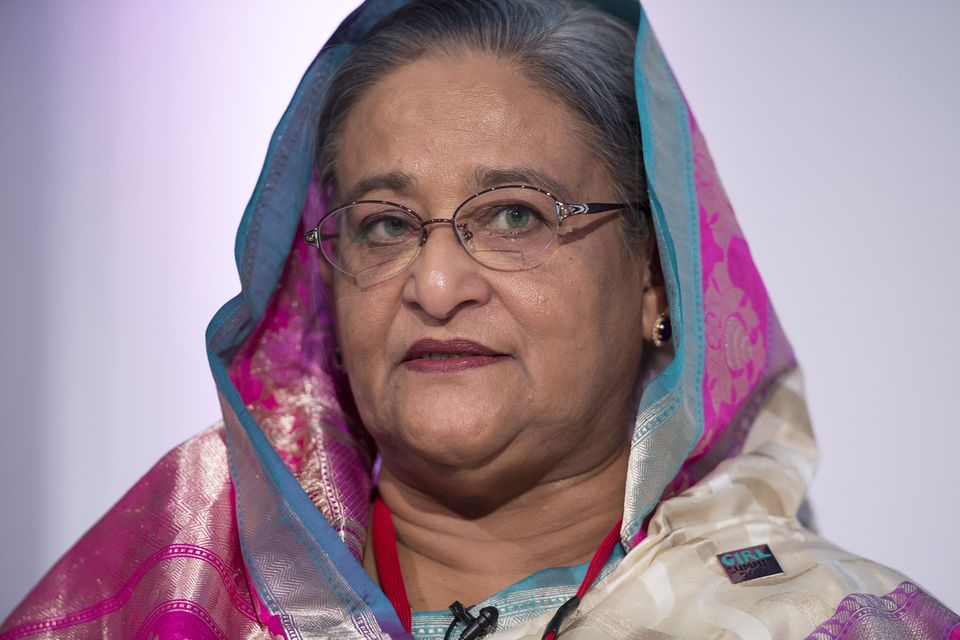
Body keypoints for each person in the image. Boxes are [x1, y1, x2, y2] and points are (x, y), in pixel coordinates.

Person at [2, 0, 957, 638]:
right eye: (383, 225)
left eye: (514, 214)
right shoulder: (169, 595)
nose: (436, 281)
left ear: (656, 284)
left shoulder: (828, 622)